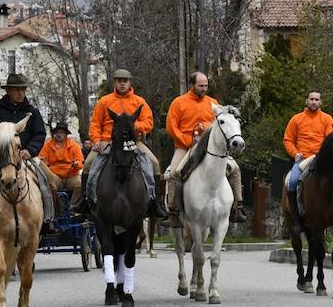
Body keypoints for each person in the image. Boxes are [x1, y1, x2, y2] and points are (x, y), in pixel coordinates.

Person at [0, 71, 56, 241]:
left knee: (51, 180)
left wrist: (30, 150)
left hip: (26, 156)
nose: (20, 93)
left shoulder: (32, 111)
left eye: (23, 89)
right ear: (8, 91)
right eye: (16, 89)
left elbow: (39, 134)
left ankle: (49, 220)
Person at [77, 68, 167, 218]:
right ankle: (84, 200)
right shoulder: (104, 101)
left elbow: (148, 122)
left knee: (155, 164)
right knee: (88, 164)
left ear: (130, 82)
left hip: (132, 141)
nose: (122, 84)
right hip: (107, 140)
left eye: (125, 81)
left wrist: (133, 127)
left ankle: (155, 202)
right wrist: (96, 140)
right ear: (115, 83)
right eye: (119, 81)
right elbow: (95, 124)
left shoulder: (140, 102)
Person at [164, 71, 247, 226]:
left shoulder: (213, 103)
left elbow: (222, 125)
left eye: (206, 86)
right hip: (185, 147)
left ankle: (238, 207)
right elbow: (171, 127)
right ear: (191, 85)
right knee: (175, 173)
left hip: (211, 148)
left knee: (235, 169)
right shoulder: (179, 103)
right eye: (200, 86)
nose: (204, 88)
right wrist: (187, 141)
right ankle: (173, 212)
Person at [283, 90, 333, 233]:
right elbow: (288, 139)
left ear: (320, 102)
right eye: (311, 99)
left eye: (317, 99)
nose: (314, 102)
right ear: (306, 101)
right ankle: (296, 218)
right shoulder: (296, 119)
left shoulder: (327, 119)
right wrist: (294, 153)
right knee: (292, 182)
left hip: (321, 158)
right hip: (303, 158)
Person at [38, 122, 84, 211]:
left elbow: (80, 161)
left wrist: (76, 164)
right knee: (51, 186)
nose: (59, 134)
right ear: (55, 134)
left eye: (62, 132)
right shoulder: (47, 146)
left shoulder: (74, 146)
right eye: (58, 132)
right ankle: (56, 209)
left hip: (71, 176)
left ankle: (71, 208)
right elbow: (41, 158)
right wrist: (44, 161)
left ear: (66, 134)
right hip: (54, 176)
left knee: (79, 185)